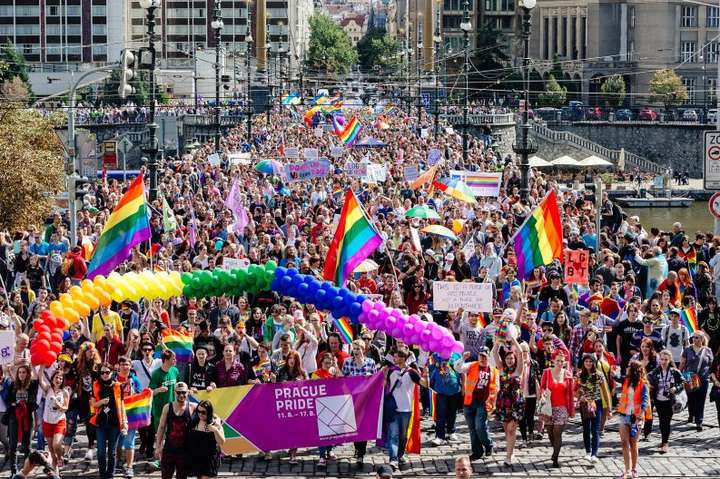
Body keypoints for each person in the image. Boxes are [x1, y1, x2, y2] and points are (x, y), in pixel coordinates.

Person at [384, 348, 428, 470]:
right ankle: (393, 460)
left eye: (397, 357)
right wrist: (384, 376)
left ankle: (400, 455)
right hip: (393, 408)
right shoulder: (391, 371)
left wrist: (426, 375)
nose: (394, 359)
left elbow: (425, 384)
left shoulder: (411, 372)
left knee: (403, 436)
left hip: (406, 409)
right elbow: (384, 386)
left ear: (403, 358)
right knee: (393, 435)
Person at [454, 347, 498, 461]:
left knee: (480, 427)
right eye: (480, 356)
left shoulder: (493, 370)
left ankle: (488, 444)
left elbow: (496, 388)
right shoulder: (472, 365)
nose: (482, 358)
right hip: (469, 402)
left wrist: (492, 404)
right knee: (472, 429)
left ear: (488, 357)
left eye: (484, 356)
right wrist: (462, 358)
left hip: (483, 403)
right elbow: (458, 368)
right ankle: (477, 452)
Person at [341, 339, 377, 468]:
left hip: (366, 399)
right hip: (352, 399)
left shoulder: (370, 362)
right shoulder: (347, 363)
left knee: (364, 426)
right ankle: (357, 447)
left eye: (359, 348)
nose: (356, 351)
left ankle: (361, 453)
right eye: (354, 349)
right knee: (354, 426)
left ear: (364, 349)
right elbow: (342, 380)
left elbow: (375, 381)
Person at [90, 363, 128, 479]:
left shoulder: (118, 386)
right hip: (100, 422)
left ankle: (110, 475)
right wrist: (101, 402)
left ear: (112, 372)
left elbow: (122, 405)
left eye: (107, 372)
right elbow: (92, 405)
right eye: (102, 373)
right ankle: (102, 474)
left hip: (114, 423)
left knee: (112, 452)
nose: (105, 375)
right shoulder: (96, 384)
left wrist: (124, 422)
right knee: (101, 452)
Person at [539, 350, 575, 468]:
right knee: (550, 433)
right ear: (553, 361)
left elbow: (571, 392)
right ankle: (555, 449)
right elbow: (542, 387)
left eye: (562, 361)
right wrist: (543, 393)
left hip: (562, 407)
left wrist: (571, 409)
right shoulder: (547, 372)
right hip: (548, 407)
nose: (560, 363)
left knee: (557, 432)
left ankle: (555, 457)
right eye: (558, 360)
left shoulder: (567, 374)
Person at [617, 360, 651, 479]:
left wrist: (639, 417)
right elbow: (616, 378)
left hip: (636, 418)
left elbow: (645, 401)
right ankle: (626, 470)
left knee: (633, 443)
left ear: (633, 370)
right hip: (624, 415)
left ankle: (634, 468)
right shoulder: (626, 380)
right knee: (624, 443)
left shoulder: (643, 384)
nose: (626, 368)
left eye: (628, 367)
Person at [647, 350, 685, 454]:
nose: (663, 362)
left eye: (665, 360)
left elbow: (682, 383)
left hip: (670, 401)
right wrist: (650, 387)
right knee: (661, 421)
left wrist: (675, 389)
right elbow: (648, 380)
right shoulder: (655, 372)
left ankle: (665, 443)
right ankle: (664, 440)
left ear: (669, 360)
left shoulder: (674, 371)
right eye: (661, 359)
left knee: (666, 422)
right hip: (659, 400)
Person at [154, 382, 195, 479]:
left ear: (188, 392)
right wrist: (158, 446)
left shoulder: (193, 407)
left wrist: (217, 422)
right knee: (166, 476)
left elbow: (210, 414)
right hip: (169, 449)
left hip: (185, 450)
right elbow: (161, 427)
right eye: (179, 392)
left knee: (182, 477)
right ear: (174, 393)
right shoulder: (167, 407)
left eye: (184, 392)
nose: (181, 395)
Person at [6, 363, 39, 475]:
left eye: (24, 372)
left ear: (28, 373)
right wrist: (14, 404)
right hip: (14, 418)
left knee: (27, 446)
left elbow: (37, 378)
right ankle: (13, 471)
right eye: (19, 372)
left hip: (27, 418)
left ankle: (26, 470)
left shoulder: (32, 384)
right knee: (13, 445)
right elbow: (8, 400)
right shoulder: (13, 385)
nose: (21, 374)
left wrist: (32, 365)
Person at [37, 367, 69, 474]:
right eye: (56, 377)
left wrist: (59, 405)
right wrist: (41, 365)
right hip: (47, 422)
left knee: (56, 445)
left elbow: (65, 408)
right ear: (52, 378)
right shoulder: (48, 389)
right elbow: (40, 378)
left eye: (60, 378)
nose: (58, 380)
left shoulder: (65, 392)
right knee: (51, 449)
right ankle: (56, 472)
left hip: (59, 421)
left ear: (62, 380)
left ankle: (60, 458)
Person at [680, 331, 714, 430]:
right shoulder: (687, 349)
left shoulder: (708, 350)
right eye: (693, 337)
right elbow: (682, 363)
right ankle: (692, 415)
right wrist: (679, 375)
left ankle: (699, 421)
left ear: (702, 339)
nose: (694, 339)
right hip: (690, 378)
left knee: (701, 400)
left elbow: (711, 364)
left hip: (703, 379)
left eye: (697, 337)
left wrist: (711, 376)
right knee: (691, 399)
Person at [575, 353, 605, 463]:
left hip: (597, 403)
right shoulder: (579, 375)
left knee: (595, 429)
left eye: (590, 361)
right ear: (583, 363)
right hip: (584, 404)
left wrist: (609, 408)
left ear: (594, 363)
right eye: (586, 361)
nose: (588, 363)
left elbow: (605, 391)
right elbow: (575, 391)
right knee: (586, 429)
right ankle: (588, 452)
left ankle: (594, 454)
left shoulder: (599, 375)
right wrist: (580, 396)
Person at [185, 400, 225, 479]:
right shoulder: (194, 422)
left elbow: (221, 442)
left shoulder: (215, 424)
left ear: (209, 412)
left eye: (203, 412)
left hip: (209, 459)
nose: (200, 414)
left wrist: (215, 430)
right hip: (196, 457)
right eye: (198, 411)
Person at [427, 352, 461, 446]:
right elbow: (431, 368)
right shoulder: (436, 355)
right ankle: (439, 436)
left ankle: (451, 431)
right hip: (441, 390)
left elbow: (460, 370)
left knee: (452, 412)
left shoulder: (456, 355)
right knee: (441, 414)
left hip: (454, 389)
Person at [149, 350, 180, 433]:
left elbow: (179, 385)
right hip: (160, 410)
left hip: (173, 408)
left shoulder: (175, 371)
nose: (175, 360)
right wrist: (158, 390)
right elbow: (151, 392)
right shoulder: (156, 374)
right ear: (166, 360)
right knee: (160, 434)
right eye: (173, 359)